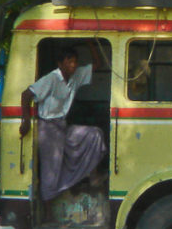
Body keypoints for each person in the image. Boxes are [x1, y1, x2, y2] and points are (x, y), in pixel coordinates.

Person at [19, 44, 107, 216]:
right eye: (69, 62)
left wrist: (92, 41)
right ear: (60, 64)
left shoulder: (76, 76)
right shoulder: (51, 79)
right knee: (50, 170)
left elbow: (98, 65)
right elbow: (26, 95)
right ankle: (47, 211)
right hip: (48, 128)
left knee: (94, 135)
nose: (72, 65)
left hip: (63, 126)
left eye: (74, 62)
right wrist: (26, 120)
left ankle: (93, 175)